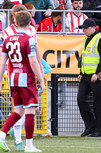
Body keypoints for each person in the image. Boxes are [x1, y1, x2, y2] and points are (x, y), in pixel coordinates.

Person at [0, 4, 45, 151]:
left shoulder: (8, 38)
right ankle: (29, 145)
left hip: (13, 76)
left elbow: (2, 62)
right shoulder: (28, 37)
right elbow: (33, 61)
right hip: (27, 77)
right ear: (30, 20)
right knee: (30, 110)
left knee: (18, 111)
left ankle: (2, 135)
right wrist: (41, 79)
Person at [77, 19, 101, 137]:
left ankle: (100, 130)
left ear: (93, 28)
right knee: (81, 99)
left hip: (96, 76)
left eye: (85, 28)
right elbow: (84, 57)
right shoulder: (86, 39)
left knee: (98, 103)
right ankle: (90, 125)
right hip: (85, 75)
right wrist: (81, 72)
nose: (83, 30)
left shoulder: (100, 39)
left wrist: (97, 73)